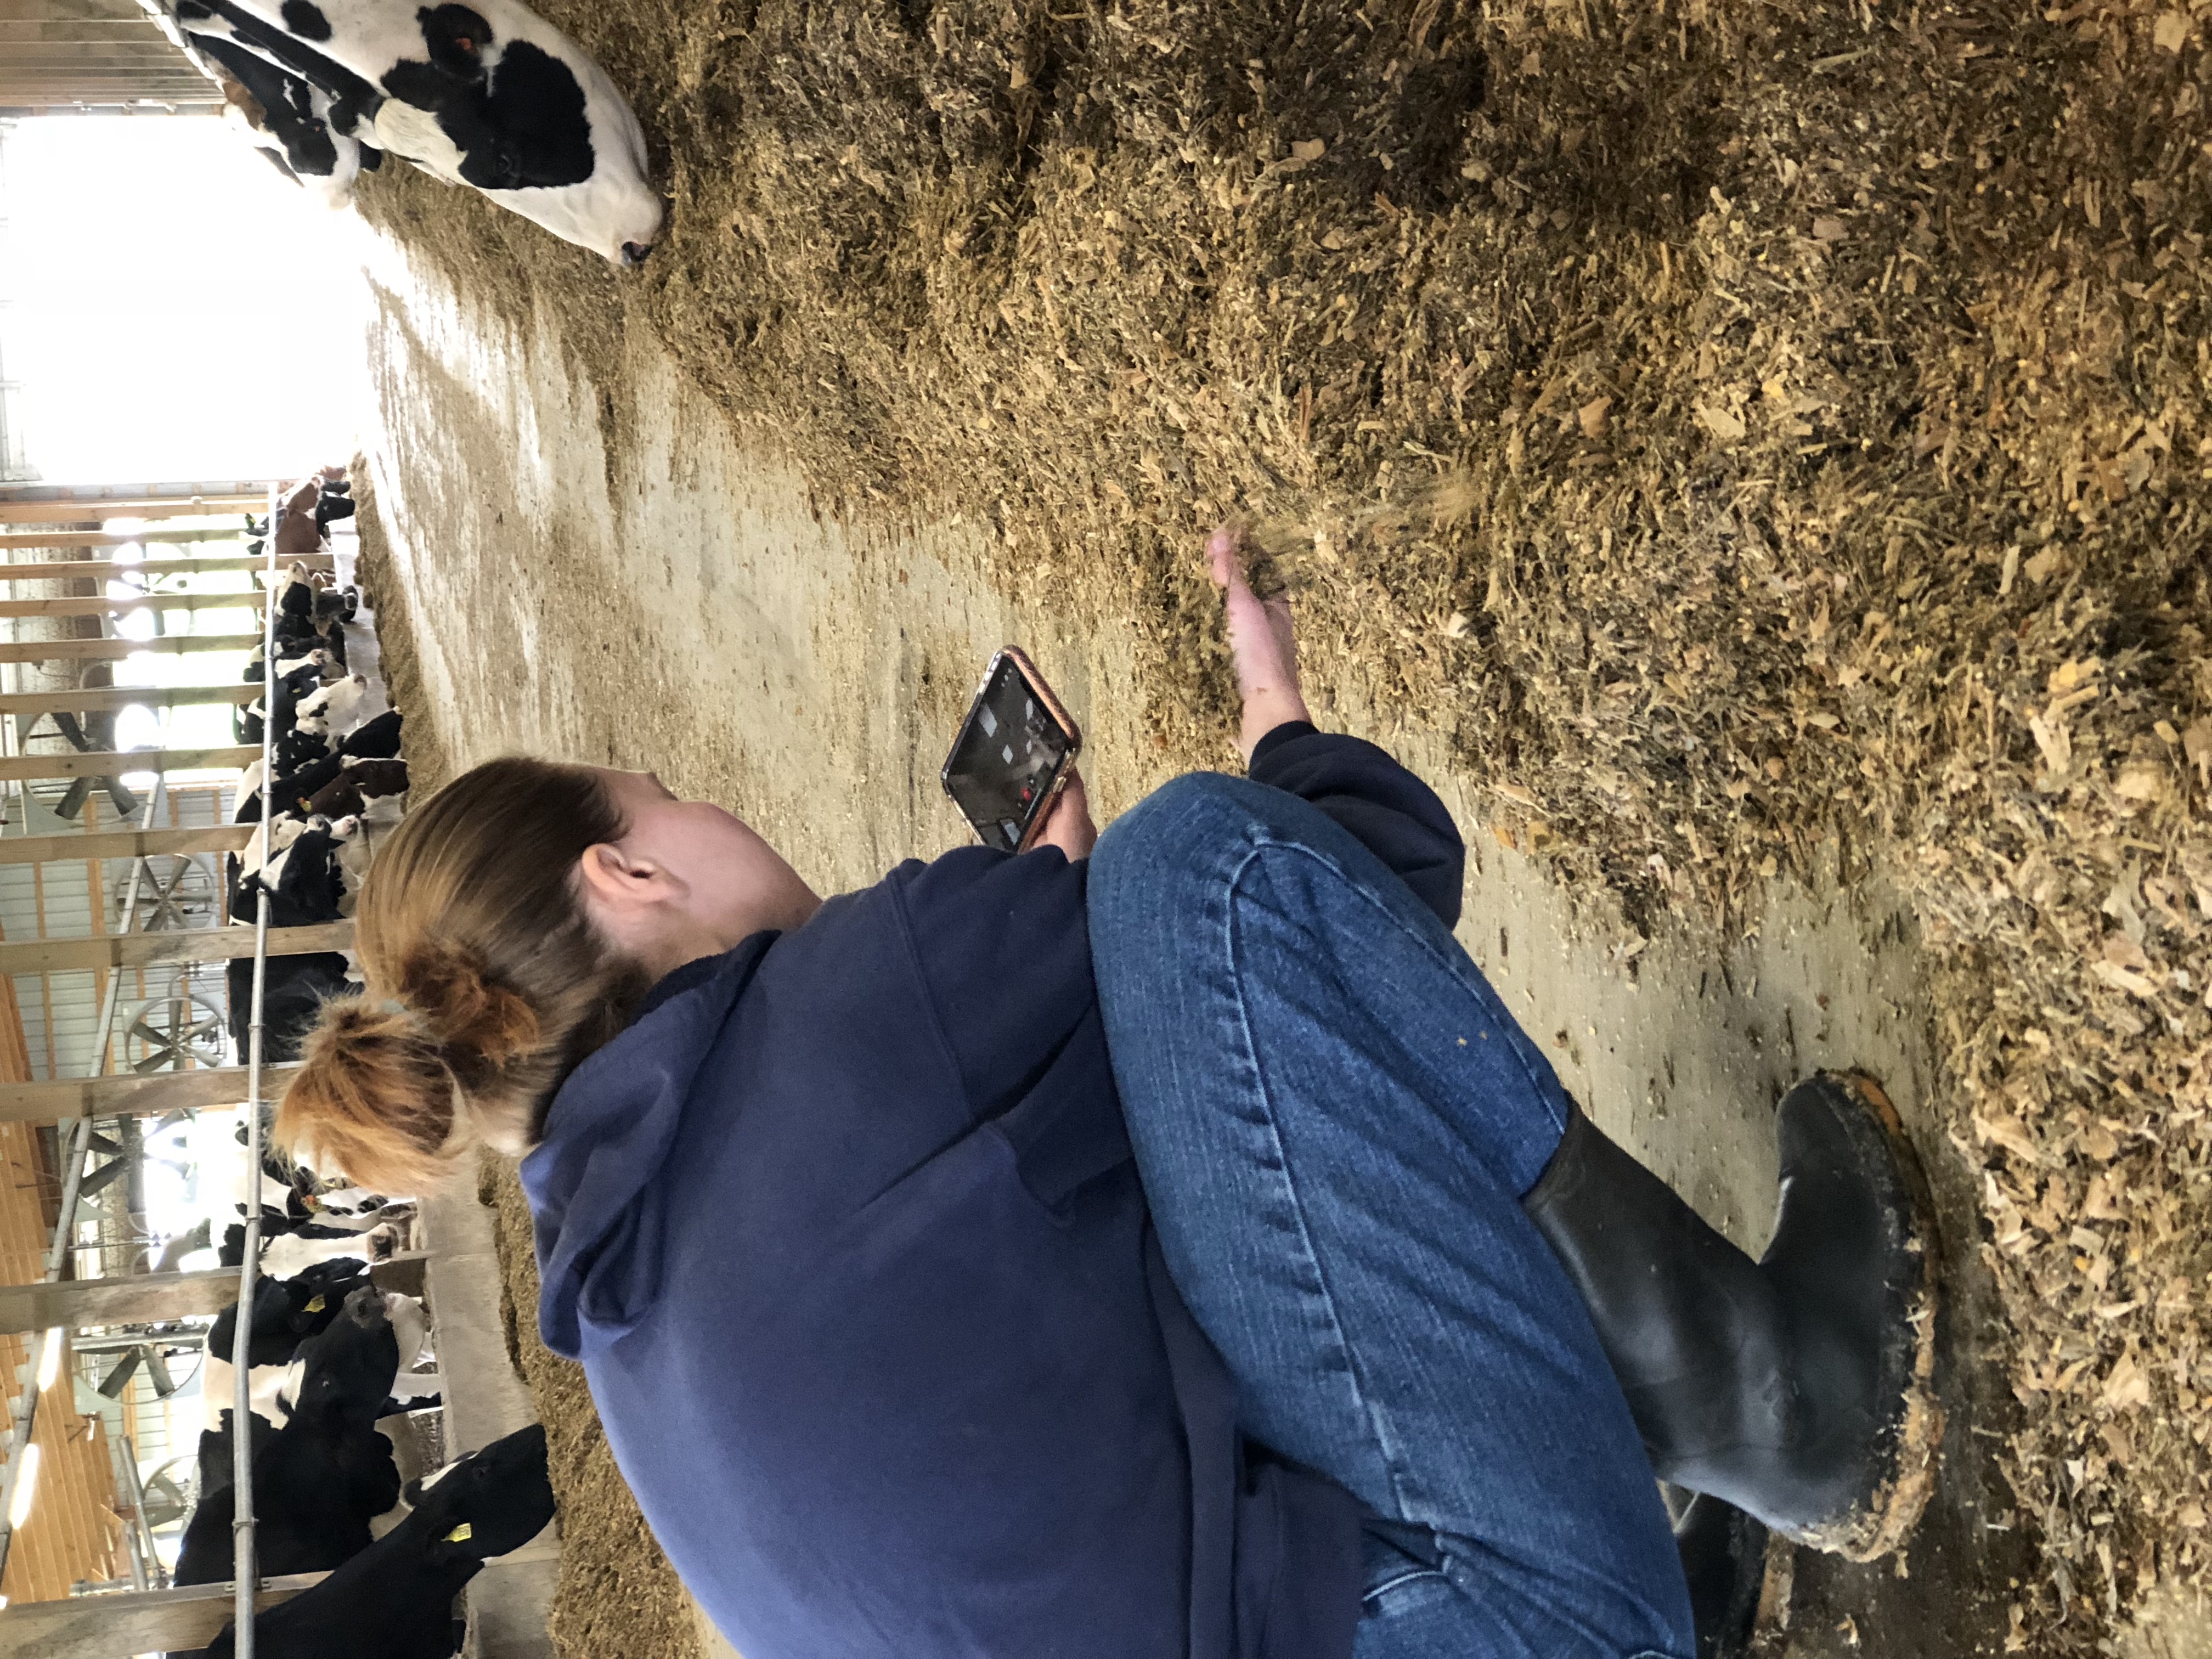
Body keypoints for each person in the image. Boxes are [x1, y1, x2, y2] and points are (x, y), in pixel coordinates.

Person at [278, 528, 1937, 1659]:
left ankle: (1613, 1520)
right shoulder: (850, 1013)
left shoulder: (634, 1343)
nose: (712, 806)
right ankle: (1780, 1399)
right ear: (627, 873)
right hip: (1510, 1629)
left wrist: (1009, 959)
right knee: (1189, 875)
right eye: (675, 793)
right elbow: (1336, 921)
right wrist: (1288, 741)